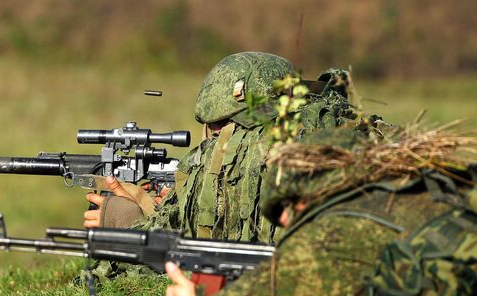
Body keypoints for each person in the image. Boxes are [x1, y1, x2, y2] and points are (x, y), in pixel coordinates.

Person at [151, 127, 477, 296]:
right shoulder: (426, 193)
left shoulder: (334, 238)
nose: (282, 223)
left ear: (300, 199)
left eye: (280, 211)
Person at [83, 52, 367, 244]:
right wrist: (156, 205)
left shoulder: (261, 158)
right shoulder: (329, 135)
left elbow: (196, 252)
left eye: (223, 128)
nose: (216, 140)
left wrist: (122, 222)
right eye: (214, 129)